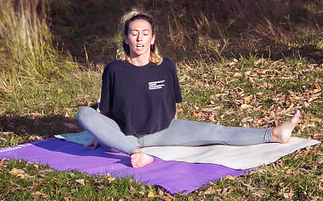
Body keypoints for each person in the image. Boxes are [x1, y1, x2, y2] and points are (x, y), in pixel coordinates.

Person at [76, 9, 302, 168]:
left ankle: (273, 133)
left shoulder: (166, 67)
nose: (139, 39)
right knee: (84, 113)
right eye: (134, 33)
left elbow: (173, 110)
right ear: (126, 39)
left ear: (152, 38)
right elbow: (104, 112)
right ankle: (136, 154)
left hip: (163, 132)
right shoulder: (114, 69)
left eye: (145, 34)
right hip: (126, 137)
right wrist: (103, 134)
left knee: (217, 132)